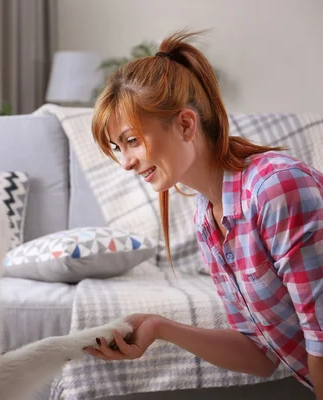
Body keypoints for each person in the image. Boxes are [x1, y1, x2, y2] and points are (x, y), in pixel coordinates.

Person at [84, 29, 323, 397]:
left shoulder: (276, 188)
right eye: (118, 147)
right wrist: (161, 327)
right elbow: (261, 354)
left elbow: (321, 337)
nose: (126, 162)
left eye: (132, 140)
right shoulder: (207, 219)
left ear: (185, 124)